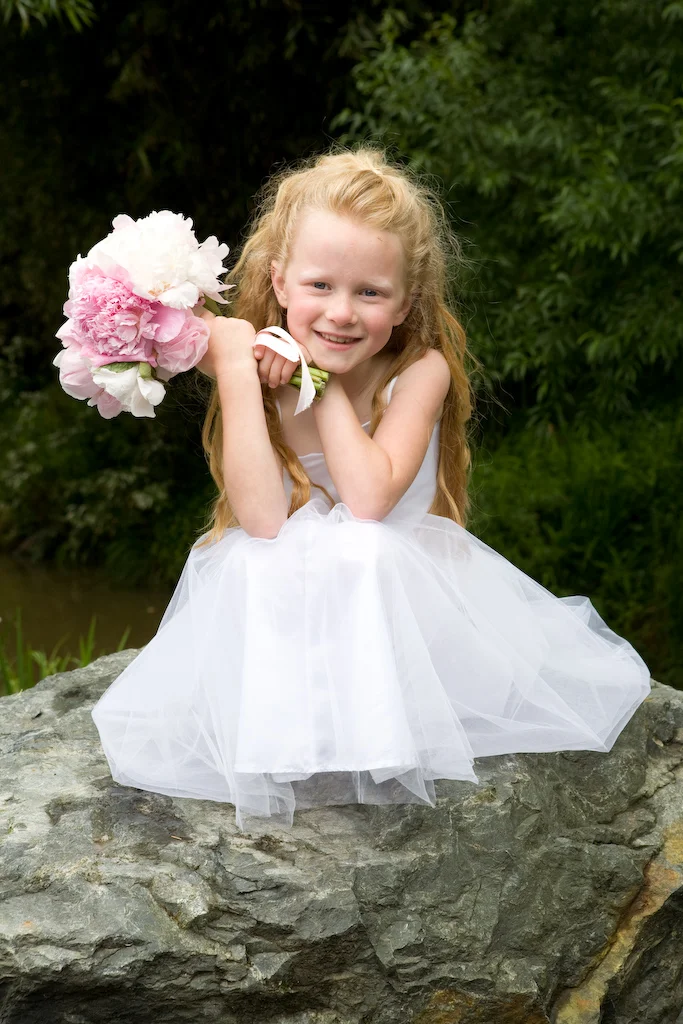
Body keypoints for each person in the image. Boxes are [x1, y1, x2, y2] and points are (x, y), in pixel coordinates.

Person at [91, 147, 652, 832]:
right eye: (320, 286)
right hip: (295, 610)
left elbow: (369, 502)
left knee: (361, 547)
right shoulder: (260, 367)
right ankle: (294, 733)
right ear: (281, 282)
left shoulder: (419, 372)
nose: (341, 313)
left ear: (405, 301)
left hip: (404, 610)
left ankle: (378, 732)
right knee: (254, 559)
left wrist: (315, 385)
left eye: (370, 293)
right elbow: (263, 520)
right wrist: (237, 368)